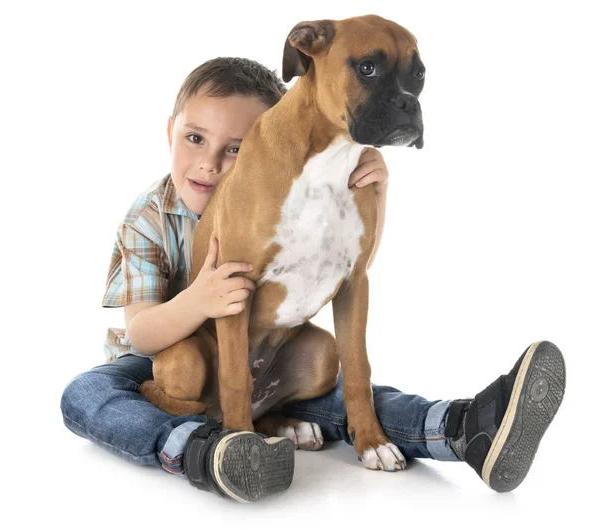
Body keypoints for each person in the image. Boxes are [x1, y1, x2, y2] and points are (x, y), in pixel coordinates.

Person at [60, 57, 566, 503]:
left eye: (236, 148)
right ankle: (200, 449)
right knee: (87, 393)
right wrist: (200, 301)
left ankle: (460, 428)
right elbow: (144, 333)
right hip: (156, 360)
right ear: (170, 130)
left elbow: (350, 265)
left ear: (267, 144)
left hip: (271, 353)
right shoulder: (147, 218)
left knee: (337, 384)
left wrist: (377, 193)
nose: (210, 163)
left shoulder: (293, 196)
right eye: (195, 138)